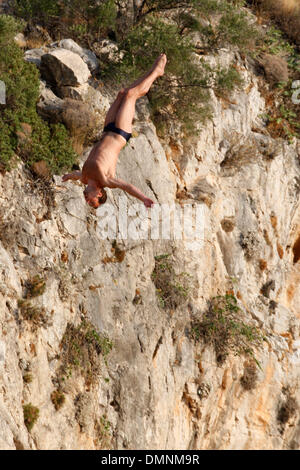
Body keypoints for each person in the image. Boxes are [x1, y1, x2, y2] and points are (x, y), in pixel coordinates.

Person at [62, 53, 167, 209]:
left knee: (123, 93)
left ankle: (153, 70)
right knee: (131, 96)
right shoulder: (106, 180)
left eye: (88, 202)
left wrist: (68, 176)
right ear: (99, 194)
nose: (87, 199)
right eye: (91, 201)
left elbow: (75, 175)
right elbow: (127, 187)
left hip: (107, 129)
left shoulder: (84, 177)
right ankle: (156, 72)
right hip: (120, 133)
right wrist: (143, 198)